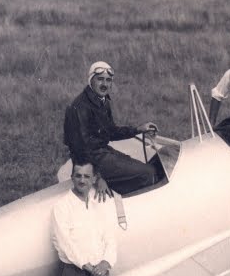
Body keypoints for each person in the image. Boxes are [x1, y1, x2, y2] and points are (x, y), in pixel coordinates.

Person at [63, 61, 158, 195]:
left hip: (102, 153)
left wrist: (137, 130)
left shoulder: (102, 101)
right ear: (91, 80)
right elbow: (80, 151)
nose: (105, 84)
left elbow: (111, 131)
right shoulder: (79, 107)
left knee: (145, 167)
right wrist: (97, 177)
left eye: (108, 80)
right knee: (147, 174)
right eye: (100, 79)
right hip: (90, 160)